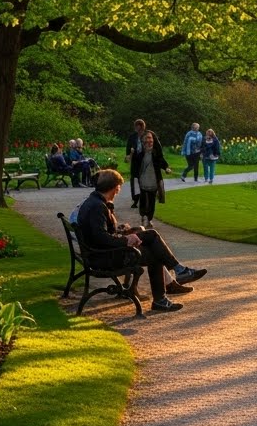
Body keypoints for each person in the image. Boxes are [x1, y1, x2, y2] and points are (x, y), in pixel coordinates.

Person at [75, 169, 208, 313]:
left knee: (150, 237)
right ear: (114, 188)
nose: (118, 192)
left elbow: (100, 233)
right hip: (104, 258)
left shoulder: (94, 201)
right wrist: (126, 240)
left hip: (99, 254)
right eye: (118, 188)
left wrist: (120, 232)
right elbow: (100, 237)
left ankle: (176, 277)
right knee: (154, 251)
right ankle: (171, 283)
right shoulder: (97, 206)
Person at [131, 130, 171, 228]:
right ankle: (144, 217)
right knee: (144, 200)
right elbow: (135, 167)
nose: (149, 140)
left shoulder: (156, 153)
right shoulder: (139, 153)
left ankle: (149, 219)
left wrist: (166, 168)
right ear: (143, 140)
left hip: (154, 181)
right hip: (143, 181)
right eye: (147, 138)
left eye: (151, 138)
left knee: (152, 202)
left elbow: (161, 161)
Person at [124, 119, 161, 208]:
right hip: (136, 161)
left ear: (142, 127)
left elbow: (158, 146)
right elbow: (128, 149)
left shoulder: (149, 135)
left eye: (139, 128)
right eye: (136, 128)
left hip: (147, 160)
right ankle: (136, 200)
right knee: (135, 180)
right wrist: (129, 154)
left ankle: (148, 198)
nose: (138, 130)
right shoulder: (132, 137)